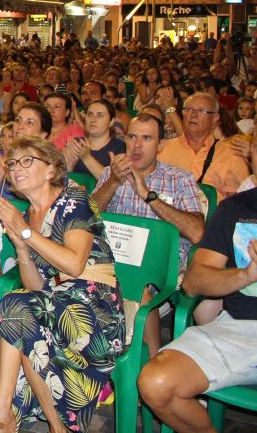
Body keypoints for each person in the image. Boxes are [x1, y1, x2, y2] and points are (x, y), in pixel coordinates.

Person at [0, 136, 123, 433]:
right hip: (54, 303)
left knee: (16, 308)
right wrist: (20, 247)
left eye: (27, 160)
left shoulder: (74, 199)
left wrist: (26, 233)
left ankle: (1, 415)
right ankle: (33, 422)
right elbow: (36, 286)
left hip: (94, 308)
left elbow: (74, 265)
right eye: (13, 163)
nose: (17, 167)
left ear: (51, 169)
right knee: (20, 312)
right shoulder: (28, 215)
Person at [137, 187, 257, 433]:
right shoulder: (236, 208)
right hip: (241, 328)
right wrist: (246, 275)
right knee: (156, 382)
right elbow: (194, 282)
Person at [92, 112, 205, 351]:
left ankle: (152, 360)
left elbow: (196, 233)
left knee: (138, 283)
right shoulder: (110, 174)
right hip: (117, 259)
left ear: (161, 144)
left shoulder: (179, 180)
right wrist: (113, 182)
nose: (137, 145)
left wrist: (149, 196)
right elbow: (87, 217)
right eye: (132, 137)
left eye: (146, 138)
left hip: (160, 265)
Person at [161, 92, 250, 202]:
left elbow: (238, 204)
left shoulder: (232, 153)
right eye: (188, 109)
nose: (193, 115)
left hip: (213, 218)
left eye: (201, 111)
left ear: (214, 119)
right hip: (168, 216)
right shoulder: (164, 149)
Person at [65, 98, 125, 181]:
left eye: (100, 115)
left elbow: (114, 183)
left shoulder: (120, 147)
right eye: (90, 114)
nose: (93, 119)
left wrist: (86, 157)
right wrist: (70, 164)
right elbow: (60, 183)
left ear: (111, 122)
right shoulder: (76, 143)